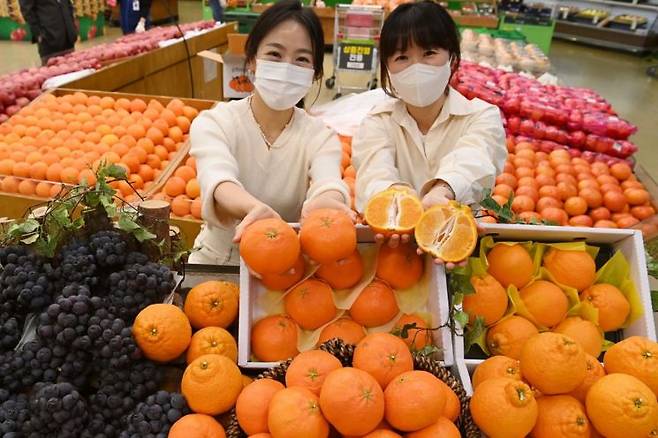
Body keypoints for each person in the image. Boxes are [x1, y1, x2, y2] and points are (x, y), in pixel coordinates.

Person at [188, 0, 351, 265]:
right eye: (275, 54)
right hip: (216, 261)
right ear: (252, 60)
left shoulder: (320, 137)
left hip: (282, 266)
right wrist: (252, 208)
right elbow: (218, 178)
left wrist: (325, 201)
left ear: (314, 74)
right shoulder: (215, 122)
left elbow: (328, 181)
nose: (287, 67)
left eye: (301, 59)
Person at [352, 1, 507, 264]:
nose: (416, 67)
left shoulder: (481, 116)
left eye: (429, 53)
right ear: (388, 69)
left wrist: (442, 192)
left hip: (459, 244)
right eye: (402, 57)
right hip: (394, 252)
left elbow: (475, 158)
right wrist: (399, 202)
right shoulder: (378, 121)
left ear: (452, 58)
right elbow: (373, 170)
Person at [19, 0, 77, 65]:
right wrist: (39, 34)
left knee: (73, 70)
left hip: (68, 37)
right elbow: (27, 11)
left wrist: (71, 25)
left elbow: (68, 4)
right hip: (49, 39)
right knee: (53, 71)